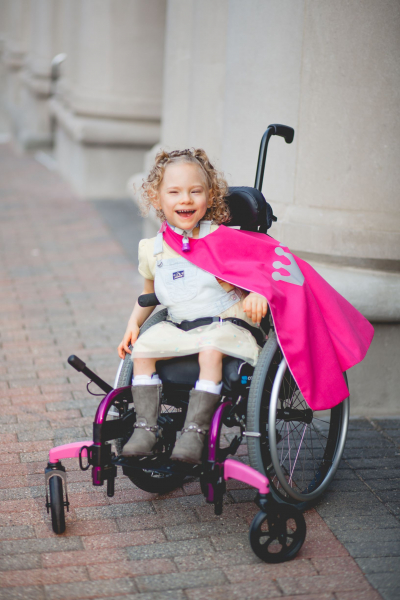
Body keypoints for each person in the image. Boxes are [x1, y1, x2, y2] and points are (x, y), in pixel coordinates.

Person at [117, 148, 268, 464]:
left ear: (209, 196)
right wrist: (133, 324)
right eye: (174, 192)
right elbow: (148, 294)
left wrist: (257, 293)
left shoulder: (222, 239)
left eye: (194, 192)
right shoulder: (153, 249)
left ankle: (195, 432)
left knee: (210, 350)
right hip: (180, 326)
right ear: (157, 199)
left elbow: (258, 272)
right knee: (142, 351)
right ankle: (146, 427)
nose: (185, 200)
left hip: (225, 321)